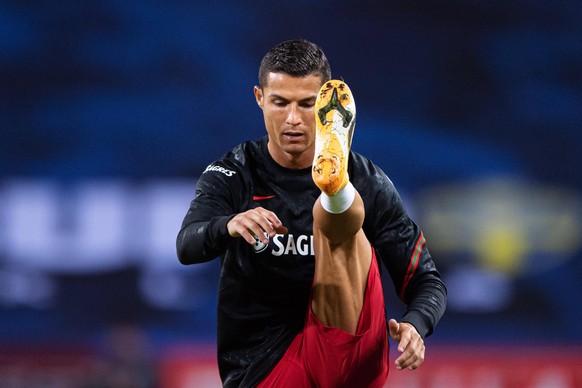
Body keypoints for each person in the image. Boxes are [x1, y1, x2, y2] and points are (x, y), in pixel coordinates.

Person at [177, 39, 447, 387]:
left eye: (307, 105)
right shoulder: (233, 173)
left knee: (335, 226)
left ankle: (335, 190)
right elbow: (186, 245)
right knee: (335, 217)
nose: (293, 119)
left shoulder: (368, 180)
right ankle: (336, 196)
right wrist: (228, 224)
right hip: (262, 364)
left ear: (323, 106)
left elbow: (426, 280)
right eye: (280, 102)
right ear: (259, 97)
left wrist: (416, 324)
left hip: (347, 343)